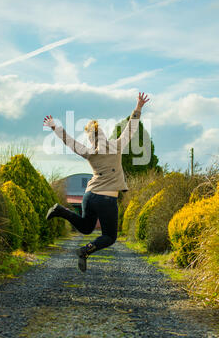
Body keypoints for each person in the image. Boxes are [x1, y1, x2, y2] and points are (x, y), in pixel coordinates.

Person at [44, 92, 150, 272]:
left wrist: (55, 127)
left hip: (89, 196)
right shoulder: (116, 145)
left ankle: (60, 211)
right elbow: (130, 129)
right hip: (106, 199)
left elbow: (69, 142)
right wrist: (138, 108)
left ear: (91, 138)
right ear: (103, 135)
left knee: (86, 228)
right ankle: (84, 250)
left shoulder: (88, 151)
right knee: (109, 237)